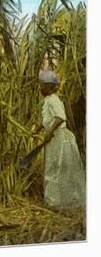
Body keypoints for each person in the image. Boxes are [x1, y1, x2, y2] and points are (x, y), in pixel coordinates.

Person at [37, 70, 85, 210]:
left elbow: (60, 117)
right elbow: (49, 119)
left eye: (43, 85)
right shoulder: (48, 100)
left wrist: (49, 132)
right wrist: (38, 129)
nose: (41, 88)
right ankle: (53, 200)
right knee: (53, 167)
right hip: (54, 137)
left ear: (50, 87)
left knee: (56, 168)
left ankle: (55, 202)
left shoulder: (54, 100)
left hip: (59, 137)